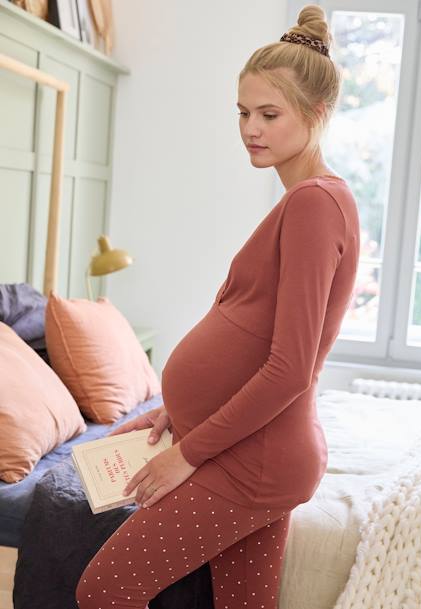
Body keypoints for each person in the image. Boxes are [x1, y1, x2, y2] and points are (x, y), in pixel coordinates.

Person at [75, 4, 360, 608]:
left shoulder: (314, 203)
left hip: (253, 459)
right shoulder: (308, 201)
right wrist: (181, 414)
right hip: (255, 451)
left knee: (104, 590)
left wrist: (188, 455)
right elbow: (255, 342)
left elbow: (290, 367)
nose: (250, 129)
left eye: (269, 114)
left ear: (318, 114)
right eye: (243, 112)